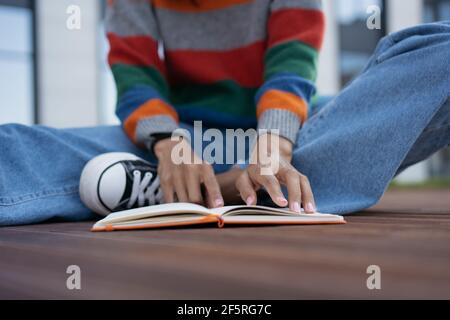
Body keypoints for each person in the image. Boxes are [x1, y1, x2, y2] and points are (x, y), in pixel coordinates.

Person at [0, 0, 449, 226]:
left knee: (439, 53)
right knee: (16, 148)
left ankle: (204, 191)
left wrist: (274, 145)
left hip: (288, 129)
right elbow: (135, 72)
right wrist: (167, 143)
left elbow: (291, 67)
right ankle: (254, 191)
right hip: (179, 138)